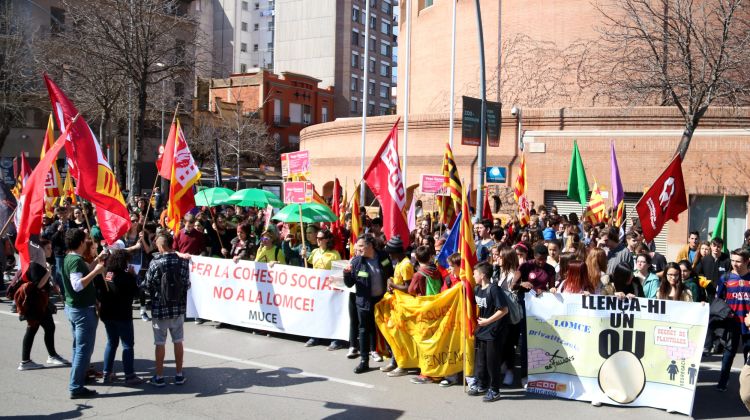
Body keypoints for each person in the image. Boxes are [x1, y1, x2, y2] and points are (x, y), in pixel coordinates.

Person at [61, 228, 107, 399]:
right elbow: (77, 285)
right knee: (83, 350)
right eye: (86, 239)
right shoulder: (74, 261)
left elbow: (85, 270)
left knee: (78, 347)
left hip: (76, 309)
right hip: (81, 311)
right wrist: (96, 272)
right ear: (80, 242)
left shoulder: (72, 258)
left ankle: (80, 378)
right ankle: (76, 386)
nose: (88, 240)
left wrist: (96, 261)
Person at [143, 233, 191, 387]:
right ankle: (178, 375)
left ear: (162, 246)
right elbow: (187, 284)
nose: (156, 246)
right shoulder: (182, 262)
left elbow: (146, 285)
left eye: (157, 244)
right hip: (177, 308)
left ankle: (159, 376)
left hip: (160, 309)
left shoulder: (155, 263)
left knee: (160, 343)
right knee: (178, 341)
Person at [343, 234, 393, 374]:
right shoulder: (356, 262)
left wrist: (390, 282)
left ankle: (395, 358)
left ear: (370, 246)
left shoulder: (383, 257)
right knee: (364, 329)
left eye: (360, 246)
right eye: (357, 246)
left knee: (388, 328)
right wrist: (347, 274)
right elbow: (349, 284)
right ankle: (364, 361)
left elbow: (390, 272)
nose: (357, 249)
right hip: (364, 303)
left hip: (383, 301)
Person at [95, 249, 143, 385]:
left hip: (107, 314)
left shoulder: (107, 275)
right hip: (122, 315)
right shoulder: (126, 277)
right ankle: (130, 375)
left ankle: (107, 373)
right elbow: (137, 293)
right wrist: (134, 276)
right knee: (127, 345)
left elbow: (100, 293)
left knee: (111, 342)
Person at [15, 262, 70, 370]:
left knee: (47, 328)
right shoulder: (35, 265)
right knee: (35, 329)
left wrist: (51, 285)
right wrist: (48, 272)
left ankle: (49, 356)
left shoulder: (38, 264)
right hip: (35, 303)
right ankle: (27, 361)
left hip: (39, 302)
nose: (50, 250)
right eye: (47, 248)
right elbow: (38, 284)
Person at [468, 261, 509, 402]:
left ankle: (495, 390)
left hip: (494, 331)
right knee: (481, 361)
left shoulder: (494, 289)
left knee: (492, 362)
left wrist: (487, 321)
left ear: (483, 275)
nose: (473, 275)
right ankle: (482, 384)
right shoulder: (477, 289)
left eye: (475, 273)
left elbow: (504, 310)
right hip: (482, 330)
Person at [716, 248, 750, 392]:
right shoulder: (725, 278)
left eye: (738, 261)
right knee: (729, 353)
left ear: (747, 261)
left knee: (748, 356)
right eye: (733, 260)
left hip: (749, 324)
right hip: (732, 323)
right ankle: (722, 382)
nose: (734, 264)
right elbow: (718, 300)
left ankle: (747, 385)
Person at [304, 229, 343, 349]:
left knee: (331, 313)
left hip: (330, 288)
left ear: (326, 240)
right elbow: (309, 262)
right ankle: (315, 337)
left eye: (320, 238)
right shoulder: (315, 251)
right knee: (317, 312)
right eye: (317, 238)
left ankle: (336, 340)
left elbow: (339, 271)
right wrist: (304, 254)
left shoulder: (334, 254)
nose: (318, 240)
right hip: (317, 288)